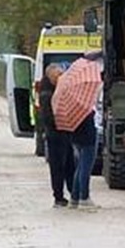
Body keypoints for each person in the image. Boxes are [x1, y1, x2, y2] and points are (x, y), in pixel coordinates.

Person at [68, 51, 103, 209]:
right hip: (87, 135)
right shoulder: (84, 101)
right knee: (85, 167)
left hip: (75, 136)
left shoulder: (72, 100)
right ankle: (84, 198)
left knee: (80, 165)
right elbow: (90, 117)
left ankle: (74, 198)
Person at [40, 64, 75, 208]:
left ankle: (73, 192)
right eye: (57, 76)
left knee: (70, 164)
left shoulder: (60, 89)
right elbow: (48, 118)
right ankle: (59, 197)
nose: (60, 78)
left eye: (61, 75)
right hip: (55, 135)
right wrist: (60, 122)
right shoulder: (47, 94)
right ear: (50, 77)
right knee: (57, 167)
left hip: (65, 132)